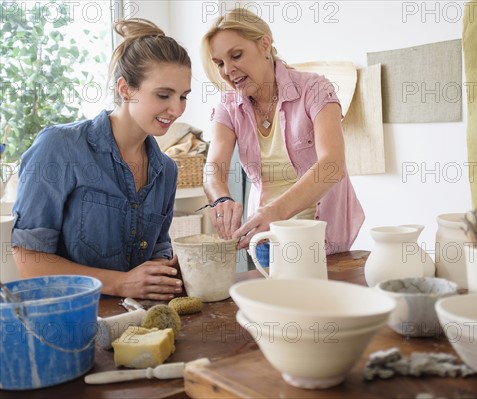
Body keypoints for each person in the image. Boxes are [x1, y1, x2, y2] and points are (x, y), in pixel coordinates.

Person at [11, 19, 192, 300]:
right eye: (163, 95)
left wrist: (164, 274)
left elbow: (157, 252)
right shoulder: (60, 148)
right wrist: (121, 283)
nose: (177, 109)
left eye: (183, 96)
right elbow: (28, 258)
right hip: (68, 320)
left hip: (133, 322)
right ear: (125, 89)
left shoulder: (166, 170)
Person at [200, 8, 365, 264]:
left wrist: (276, 211)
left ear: (265, 44)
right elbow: (213, 169)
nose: (228, 70)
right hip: (267, 240)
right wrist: (220, 198)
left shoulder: (314, 89)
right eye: (220, 63)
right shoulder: (229, 107)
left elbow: (331, 165)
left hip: (323, 236)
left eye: (236, 55)